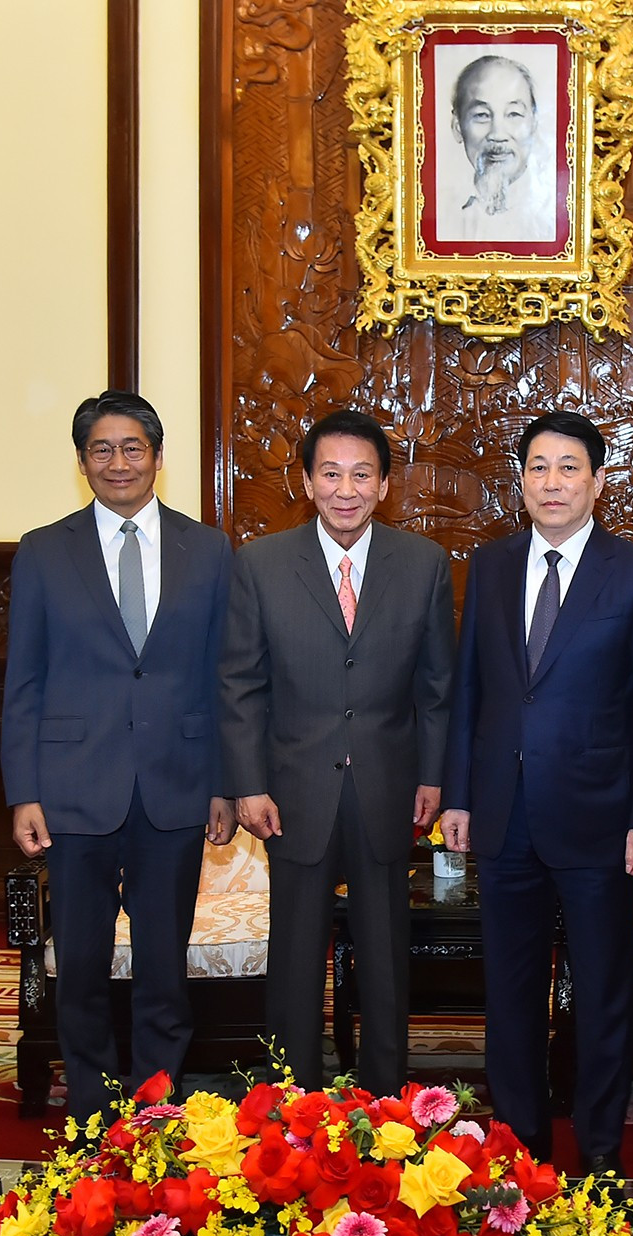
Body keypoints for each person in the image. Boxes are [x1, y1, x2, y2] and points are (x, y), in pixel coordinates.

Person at [440, 410, 633, 1176]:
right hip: (505, 819)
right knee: (510, 999)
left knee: (604, 997)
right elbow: (470, 690)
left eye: (569, 467)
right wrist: (459, 796)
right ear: (521, 481)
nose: (552, 482)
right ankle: (520, 1149)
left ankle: (601, 1148)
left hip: (602, 822)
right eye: (538, 467)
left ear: (598, 481)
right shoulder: (493, 562)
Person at [0, 390, 236, 1125]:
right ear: (81, 463)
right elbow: (24, 679)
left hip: (176, 784)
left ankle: (155, 1109)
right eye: (101, 450)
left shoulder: (210, 549)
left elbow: (226, 675)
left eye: (133, 447)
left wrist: (225, 784)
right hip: (73, 790)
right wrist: (23, 790)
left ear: (158, 458)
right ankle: (95, 1112)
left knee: (165, 965)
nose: (118, 462)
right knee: (80, 967)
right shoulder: (45, 550)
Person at [219, 410, 454, 1092]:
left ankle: (386, 1103)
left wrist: (434, 778)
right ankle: (288, 1102)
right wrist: (249, 783)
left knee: (384, 961)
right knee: (294, 960)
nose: (344, 489)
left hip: (388, 787)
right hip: (292, 793)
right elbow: (240, 684)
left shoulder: (424, 564)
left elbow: (437, 688)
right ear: (307, 481)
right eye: (330, 474)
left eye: (361, 474)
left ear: (383, 485)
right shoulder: (260, 563)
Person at [438, 53, 556, 243]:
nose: (497, 134)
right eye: (482, 115)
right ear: (457, 126)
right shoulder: (437, 213)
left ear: (534, 123)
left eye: (514, 114)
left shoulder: (554, 212)